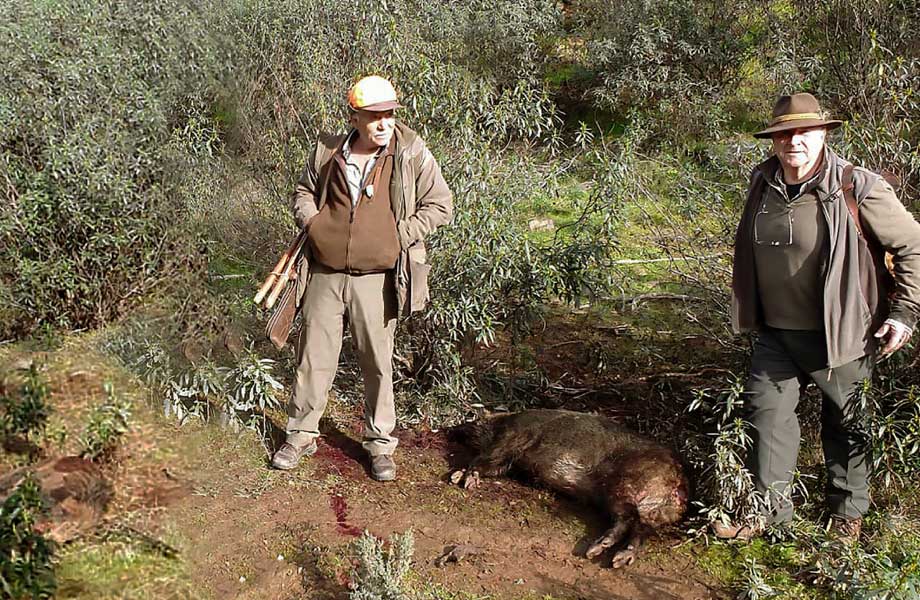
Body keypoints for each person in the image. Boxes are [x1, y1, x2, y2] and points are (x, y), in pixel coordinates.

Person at [717, 92, 920, 540]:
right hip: (776, 333)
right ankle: (768, 515)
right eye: (784, 133)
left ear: (824, 134)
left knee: (846, 423)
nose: (793, 141)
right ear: (773, 140)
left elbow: (912, 246)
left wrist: (905, 312)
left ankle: (847, 516)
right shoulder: (762, 181)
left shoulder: (857, 186)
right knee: (766, 417)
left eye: (804, 132)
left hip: (844, 331)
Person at [270, 75, 453, 481]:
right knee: (313, 359)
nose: (383, 123)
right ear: (355, 117)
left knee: (377, 363)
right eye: (373, 116)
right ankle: (300, 435)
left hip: (377, 278)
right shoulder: (328, 150)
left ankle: (380, 444)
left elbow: (441, 205)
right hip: (323, 272)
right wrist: (314, 223)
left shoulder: (409, 153)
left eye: (388, 114)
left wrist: (396, 237)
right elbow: (303, 191)